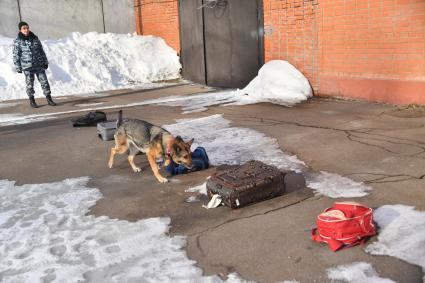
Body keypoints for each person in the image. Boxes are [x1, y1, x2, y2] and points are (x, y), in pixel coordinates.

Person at [13, 21, 56, 108]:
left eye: (27, 28)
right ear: (20, 30)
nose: (26, 30)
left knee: (45, 82)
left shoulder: (34, 38)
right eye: (24, 28)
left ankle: (49, 99)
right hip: (27, 66)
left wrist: (45, 62)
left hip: (38, 65)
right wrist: (18, 67)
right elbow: (16, 54)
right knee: (30, 84)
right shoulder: (18, 41)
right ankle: (32, 100)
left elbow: (41, 51)